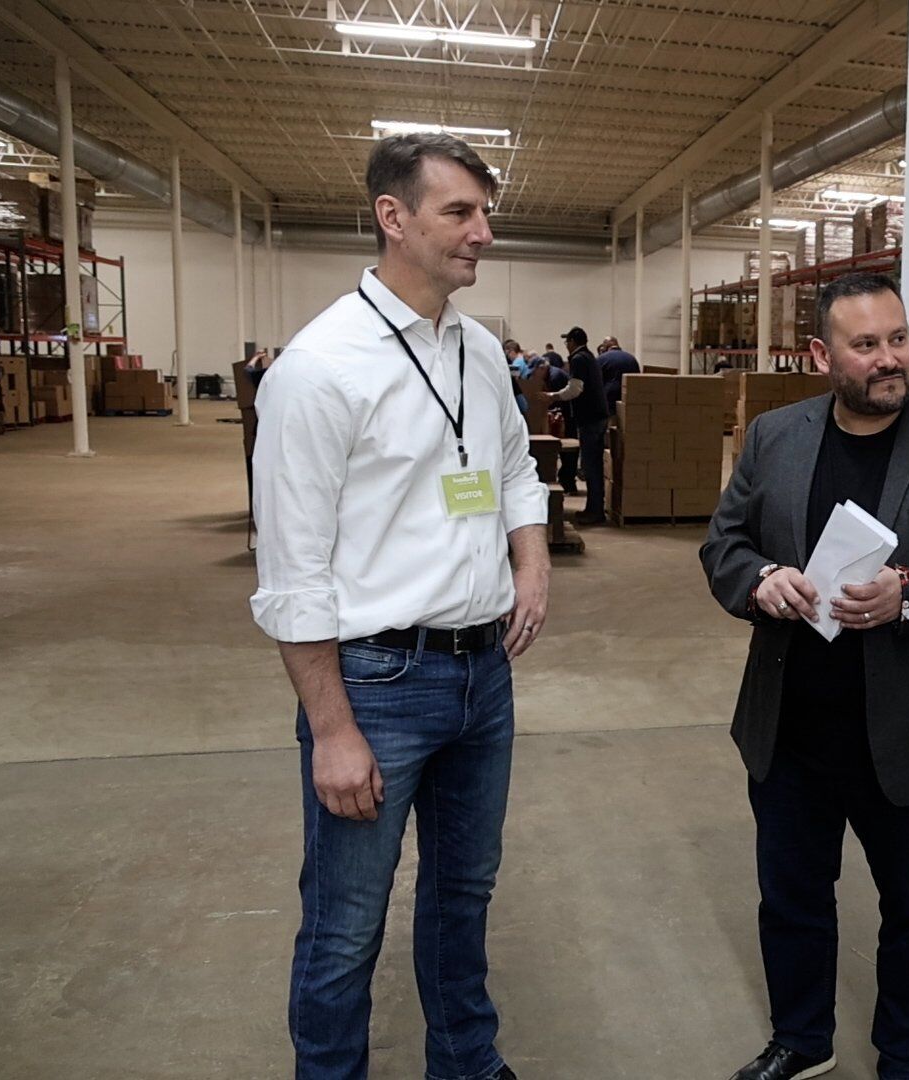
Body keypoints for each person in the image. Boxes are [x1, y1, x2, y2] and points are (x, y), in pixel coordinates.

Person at [249, 132, 549, 1080]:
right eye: (460, 212)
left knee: (463, 893)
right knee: (345, 925)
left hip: (480, 674)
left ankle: (465, 1062)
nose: (483, 233)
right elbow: (292, 572)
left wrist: (530, 564)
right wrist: (331, 726)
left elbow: (509, 467)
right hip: (376, 682)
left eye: (483, 212)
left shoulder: (478, 352)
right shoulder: (322, 368)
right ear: (393, 217)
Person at [699, 272, 909, 1080]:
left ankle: (908, 1059)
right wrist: (760, 581)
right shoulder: (777, 437)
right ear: (821, 354)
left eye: (899, 339)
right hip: (793, 727)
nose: (890, 360)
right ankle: (802, 1039)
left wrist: (908, 596)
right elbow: (723, 546)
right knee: (792, 901)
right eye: (867, 345)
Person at [561, 326, 610, 523]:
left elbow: (575, 388)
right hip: (598, 416)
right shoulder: (589, 356)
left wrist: (553, 396)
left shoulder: (578, 359)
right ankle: (594, 507)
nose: (566, 345)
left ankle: (595, 512)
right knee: (594, 465)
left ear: (573, 342)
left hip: (590, 418)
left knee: (591, 466)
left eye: (567, 341)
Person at [595, 335, 640, 409]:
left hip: (609, 401)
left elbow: (595, 381)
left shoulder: (602, 359)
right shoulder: (632, 359)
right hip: (629, 401)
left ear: (605, 346)